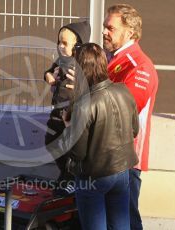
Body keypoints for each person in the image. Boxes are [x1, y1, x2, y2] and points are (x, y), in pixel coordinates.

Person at [62, 43, 139, 230]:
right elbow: (134, 130)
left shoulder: (84, 104)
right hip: (122, 171)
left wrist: (67, 127)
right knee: (121, 225)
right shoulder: (123, 91)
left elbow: (77, 152)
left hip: (94, 176)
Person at [103, 4, 159, 230]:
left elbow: (123, 111)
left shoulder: (140, 66)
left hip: (124, 160)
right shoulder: (111, 58)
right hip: (104, 156)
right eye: (105, 27)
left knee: (125, 222)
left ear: (130, 32)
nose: (105, 32)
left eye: (110, 28)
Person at [43, 20, 90, 195]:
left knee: (72, 147)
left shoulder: (83, 63)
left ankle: (70, 178)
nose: (60, 47)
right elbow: (48, 71)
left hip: (73, 111)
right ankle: (65, 172)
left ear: (78, 46)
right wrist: (48, 76)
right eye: (59, 42)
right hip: (57, 110)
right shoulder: (60, 61)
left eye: (65, 43)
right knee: (51, 141)